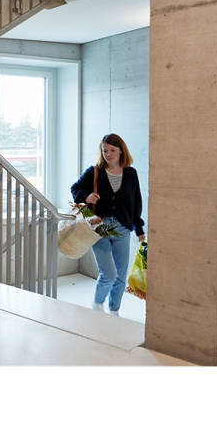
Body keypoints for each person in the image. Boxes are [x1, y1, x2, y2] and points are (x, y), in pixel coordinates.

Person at [71, 134, 146, 314]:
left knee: (120, 276)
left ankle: (114, 311)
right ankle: (97, 307)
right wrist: (85, 196)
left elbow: (136, 202)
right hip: (99, 226)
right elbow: (75, 188)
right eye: (105, 150)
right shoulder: (94, 171)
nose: (108, 154)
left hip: (122, 227)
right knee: (109, 274)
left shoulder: (131, 173)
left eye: (112, 150)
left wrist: (139, 228)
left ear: (121, 151)